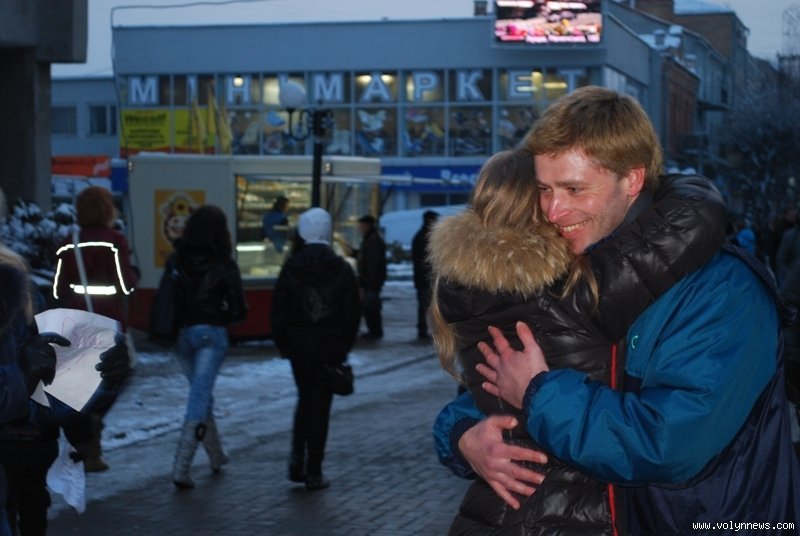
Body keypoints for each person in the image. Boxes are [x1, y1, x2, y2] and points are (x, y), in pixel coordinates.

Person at [434, 86, 800, 533]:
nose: (553, 210)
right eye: (544, 189)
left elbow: (670, 444)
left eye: (574, 189)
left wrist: (539, 393)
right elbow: (496, 378)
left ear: (632, 180)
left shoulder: (721, 288)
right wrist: (463, 434)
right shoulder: (576, 267)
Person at [429, 147, 727, 534]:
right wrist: (658, 183)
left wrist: (457, 432)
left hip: (499, 514)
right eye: (555, 191)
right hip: (566, 515)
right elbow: (687, 222)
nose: (564, 205)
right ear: (541, 210)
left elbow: (471, 399)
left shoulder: (470, 290)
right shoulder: (571, 295)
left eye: (573, 190)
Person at [0, 193, 132, 535]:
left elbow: (45, 394)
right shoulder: (113, 240)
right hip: (103, 315)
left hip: (76, 310)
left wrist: (95, 382)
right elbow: (125, 282)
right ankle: (90, 438)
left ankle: (88, 435)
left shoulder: (31, 273)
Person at [270, 208, 360, 491]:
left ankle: (297, 460)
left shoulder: (291, 266)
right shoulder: (341, 268)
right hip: (329, 342)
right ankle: (314, 470)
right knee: (320, 406)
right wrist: (343, 344)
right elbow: (352, 312)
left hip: (299, 342)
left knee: (305, 399)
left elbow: (279, 310)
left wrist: (284, 343)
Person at [52, 185, 139, 472]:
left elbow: (58, 288)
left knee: (81, 382)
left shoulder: (70, 241)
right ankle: (96, 422)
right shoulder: (115, 240)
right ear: (107, 210)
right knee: (118, 373)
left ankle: (87, 446)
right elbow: (126, 284)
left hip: (77, 321)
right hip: (109, 319)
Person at [170, 205, 248, 489]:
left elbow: (169, 301)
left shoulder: (177, 259)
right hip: (210, 335)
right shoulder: (224, 263)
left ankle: (216, 455)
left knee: (200, 394)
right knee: (200, 397)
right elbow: (239, 310)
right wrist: (221, 316)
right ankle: (181, 466)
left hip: (182, 337)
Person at [356, 214, 387, 340]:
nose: (360, 228)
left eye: (362, 225)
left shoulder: (373, 240)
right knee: (371, 306)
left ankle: (375, 332)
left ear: (367, 225)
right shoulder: (370, 239)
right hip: (371, 280)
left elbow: (373, 263)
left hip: (372, 280)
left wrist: (369, 281)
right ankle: (374, 331)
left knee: (371, 307)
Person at [411, 210, 438, 340]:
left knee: (426, 306)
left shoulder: (422, 236)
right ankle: (423, 329)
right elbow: (424, 261)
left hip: (424, 278)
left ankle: (424, 329)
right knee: (425, 306)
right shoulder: (424, 237)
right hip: (425, 278)